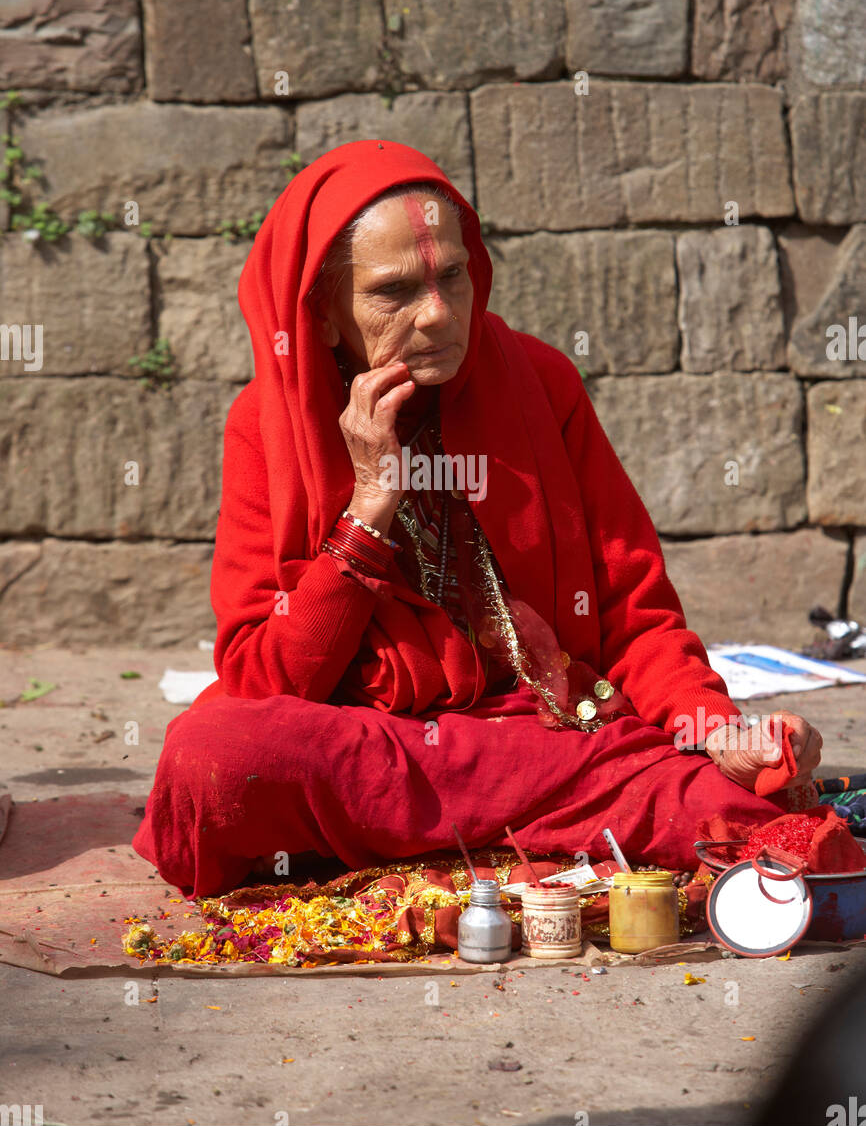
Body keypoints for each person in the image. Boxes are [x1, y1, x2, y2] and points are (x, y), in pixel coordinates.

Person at [132, 139, 822, 898]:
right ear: (323, 316)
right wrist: (369, 508)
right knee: (215, 756)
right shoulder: (266, 429)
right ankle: (522, 836)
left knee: (738, 804)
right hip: (374, 742)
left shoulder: (542, 385)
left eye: (453, 276)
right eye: (394, 291)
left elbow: (635, 615)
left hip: (541, 737)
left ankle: (426, 839)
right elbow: (268, 678)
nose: (438, 314)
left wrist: (712, 727)